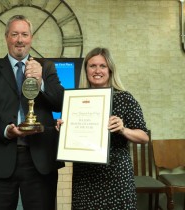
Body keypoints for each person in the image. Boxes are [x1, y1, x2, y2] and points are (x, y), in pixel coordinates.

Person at [0, 15, 64, 210]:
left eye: (24, 34)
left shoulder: (46, 67)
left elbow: (60, 103)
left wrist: (40, 82)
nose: (20, 39)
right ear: (6, 37)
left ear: (31, 38)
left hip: (40, 161)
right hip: (0, 160)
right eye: (14, 34)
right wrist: (6, 130)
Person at [69, 47, 149, 209]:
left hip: (115, 176)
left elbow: (144, 137)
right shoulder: (77, 99)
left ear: (110, 69)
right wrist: (64, 128)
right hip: (84, 177)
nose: (97, 70)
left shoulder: (124, 98)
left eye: (102, 66)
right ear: (86, 70)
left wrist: (123, 129)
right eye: (92, 66)